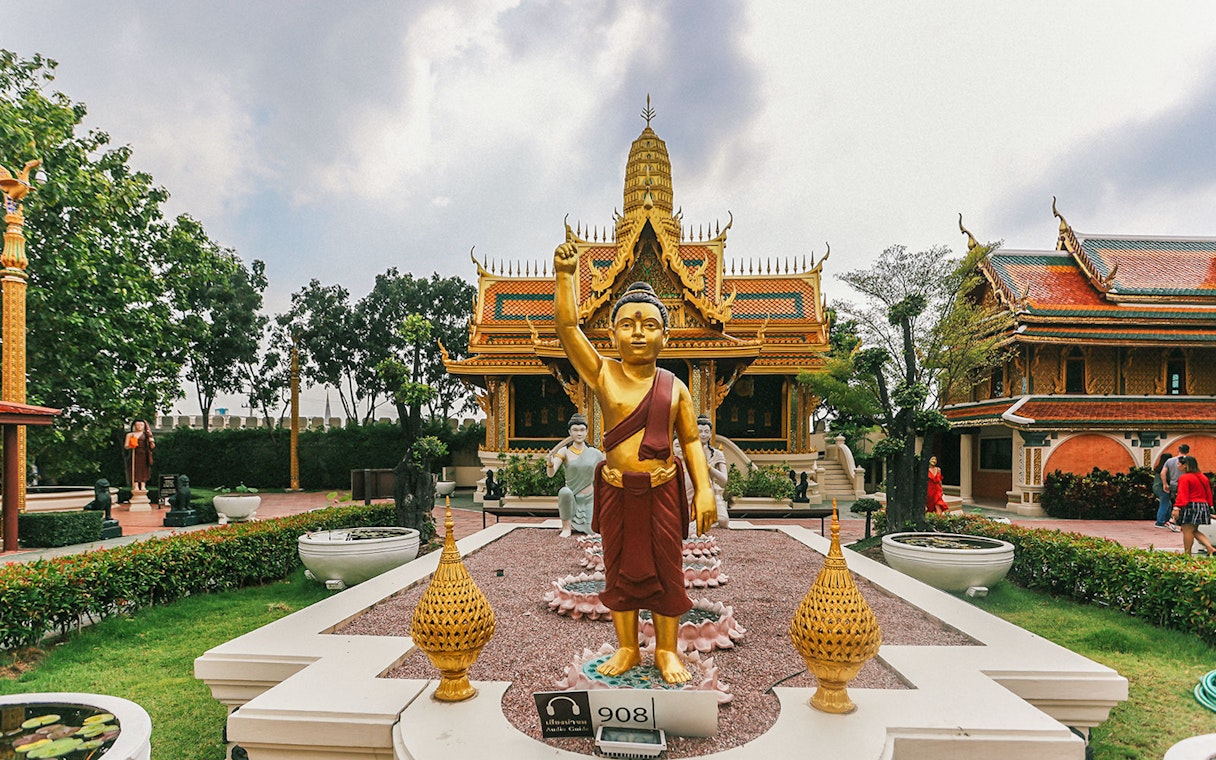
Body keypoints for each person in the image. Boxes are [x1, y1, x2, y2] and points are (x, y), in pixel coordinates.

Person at [555, 234, 716, 685]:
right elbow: (568, 331)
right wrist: (566, 278)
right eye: (627, 324)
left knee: (668, 570)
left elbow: (691, 444)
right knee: (619, 568)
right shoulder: (604, 374)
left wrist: (704, 490)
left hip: (663, 489)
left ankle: (667, 650)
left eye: (649, 324)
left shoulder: (676, 388)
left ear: (666, 334)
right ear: (612, 334)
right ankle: (627, 648)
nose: (639, 332)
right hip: (618, 490)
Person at [546, 413, 605, 537]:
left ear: (586, 432)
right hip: (571, 497)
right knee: (564, 492)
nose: (579, 433)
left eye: (582, 430)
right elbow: (551, 474)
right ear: (570, 432)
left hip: (590, 498)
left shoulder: (595, 453)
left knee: (593, 531)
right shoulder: (565, 451)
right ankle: (566, 527)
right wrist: (550, 462)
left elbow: (603, 476)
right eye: (575, 430)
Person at [1172, 456, 1216, 557]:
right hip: (1202, 505)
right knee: (1194, 530)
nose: (1178, 465)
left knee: (1187, 530)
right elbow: (1208, 493)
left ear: (1185, 465)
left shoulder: (1185, 478)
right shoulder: (1203, 477)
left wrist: (1177, 507)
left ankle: (1187, 554)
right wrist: (1210, 506)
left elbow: (1182, 494)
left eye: (1179, 464)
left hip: (1191, 505)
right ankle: (1210, 548)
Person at [125, 420, 155, 493]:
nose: (139, 427)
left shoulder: (147, 435)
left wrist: (151, 442)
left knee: (144, 469)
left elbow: (152, 446)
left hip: (144, 454)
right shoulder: (130, 435)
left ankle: (143, 485)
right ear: (134, 426)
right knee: (135, 469)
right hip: (135, 454)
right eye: (137, 425)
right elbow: (126, 446)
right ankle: (135, 485)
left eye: (141, 425)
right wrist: (131, 445)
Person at [1152, 450, 1179, 531]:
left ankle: (1165, 521)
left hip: (1156, 488)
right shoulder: (1166, 469)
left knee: (1168, 504)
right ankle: (1160, 522)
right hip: (1163, 488)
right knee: (1164, 504)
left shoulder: (1158, 468)